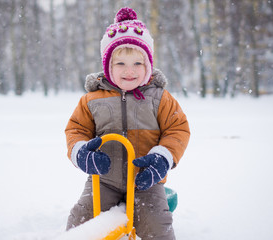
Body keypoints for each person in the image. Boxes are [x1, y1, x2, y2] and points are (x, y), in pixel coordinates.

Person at [65, 7, 190, 240]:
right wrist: (81, 152)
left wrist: (163, 158)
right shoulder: (92, 99)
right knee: (82, 218)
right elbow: (76, 130)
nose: (129, 71)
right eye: (120, 63)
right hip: (103, 181)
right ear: (107, 66)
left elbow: (177, 129)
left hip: (146, 180)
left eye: (137, 63)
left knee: (157, 224)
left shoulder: (160, 98)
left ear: (148, 65)